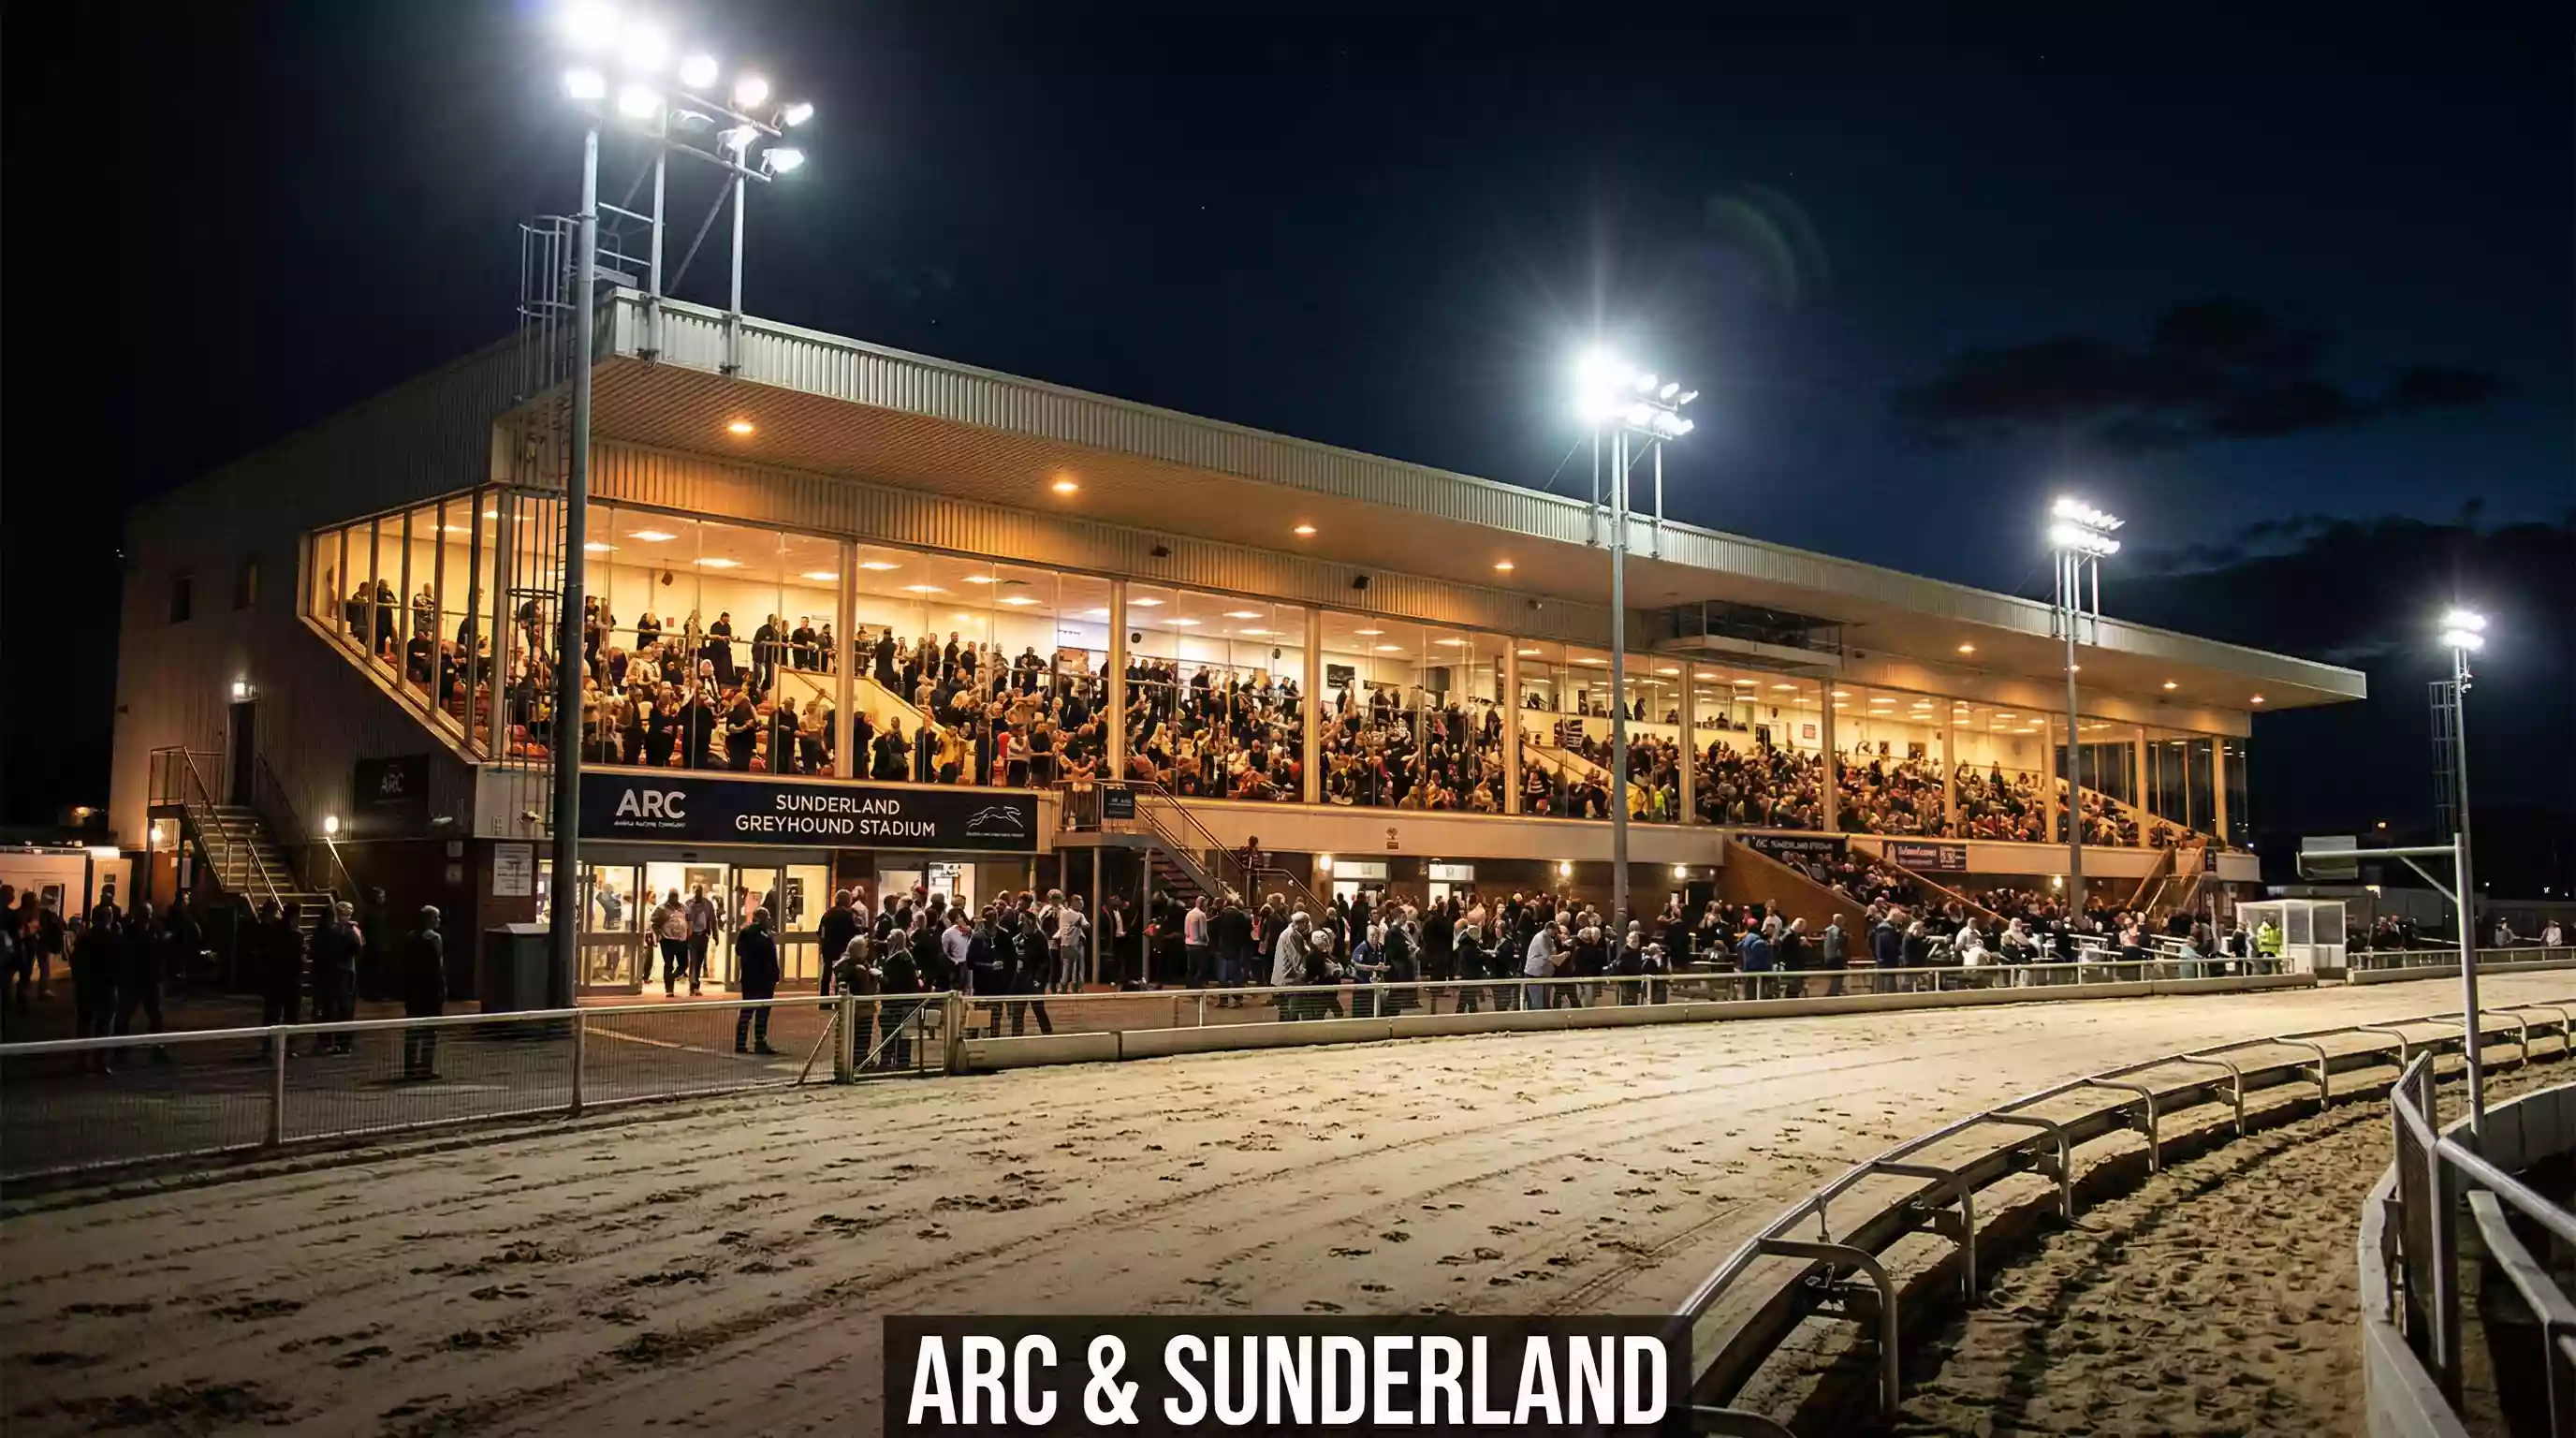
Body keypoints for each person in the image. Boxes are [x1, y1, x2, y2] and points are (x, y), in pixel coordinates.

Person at [70, 902, 122, 1069]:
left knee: (85, 1023)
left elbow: (76, 962)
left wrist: (79, 981)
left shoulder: (85, 938)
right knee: (104, 1025)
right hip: (105, 986)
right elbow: (120, 962)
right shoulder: (112, 938)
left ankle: (82, 1059)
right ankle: (100, 1061)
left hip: (87, 986)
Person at [307, 902, 363, 1053]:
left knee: (326, 1009)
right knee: (344, 1009)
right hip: (344, 973)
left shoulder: (319, 932)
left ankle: (325, 1041)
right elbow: (357, 947)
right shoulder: (345, 931)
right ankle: (342, 1043)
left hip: (325, 974)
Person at [399, 906, 446, 1079]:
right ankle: (426, 1067)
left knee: (412, 1030)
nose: (438, 921)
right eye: (437, 918)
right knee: (430, 1031)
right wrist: (443, 990)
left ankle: (409, 1068)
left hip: (413, 990)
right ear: (430, 919)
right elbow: (438, 967)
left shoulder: (409, 938)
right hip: (431, 991)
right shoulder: (434, 939)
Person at [734, 907, 782, 1054]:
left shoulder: (747, 932)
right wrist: (775, 974)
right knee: (761, 1012)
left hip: (751, 978)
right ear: (762, 918)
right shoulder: (761, 934)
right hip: (762, 978)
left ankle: (742, 1043)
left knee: (748, 1011)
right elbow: (769, 956)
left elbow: (739, 951)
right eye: (767, 918)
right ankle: (759, 1042)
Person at [684, 885, 719, 995]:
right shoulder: (688, 904)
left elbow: (713, 920)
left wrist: (715, 935)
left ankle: (696, 985)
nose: (697, 892)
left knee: (699, 961)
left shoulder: (708, 904)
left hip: (703, 936)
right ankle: (693, 985)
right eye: (695, 890)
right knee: (693, 960)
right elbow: (684, 919)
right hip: (692, 936)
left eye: (699, 890)